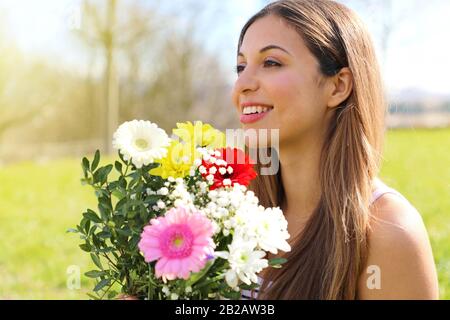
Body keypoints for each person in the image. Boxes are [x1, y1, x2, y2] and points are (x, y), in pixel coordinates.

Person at [232, 0, 439, 299]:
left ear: (338, 86)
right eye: (240, 66)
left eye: (271, 63)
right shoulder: (232, 209)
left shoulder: (389, 232)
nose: (242, 84)